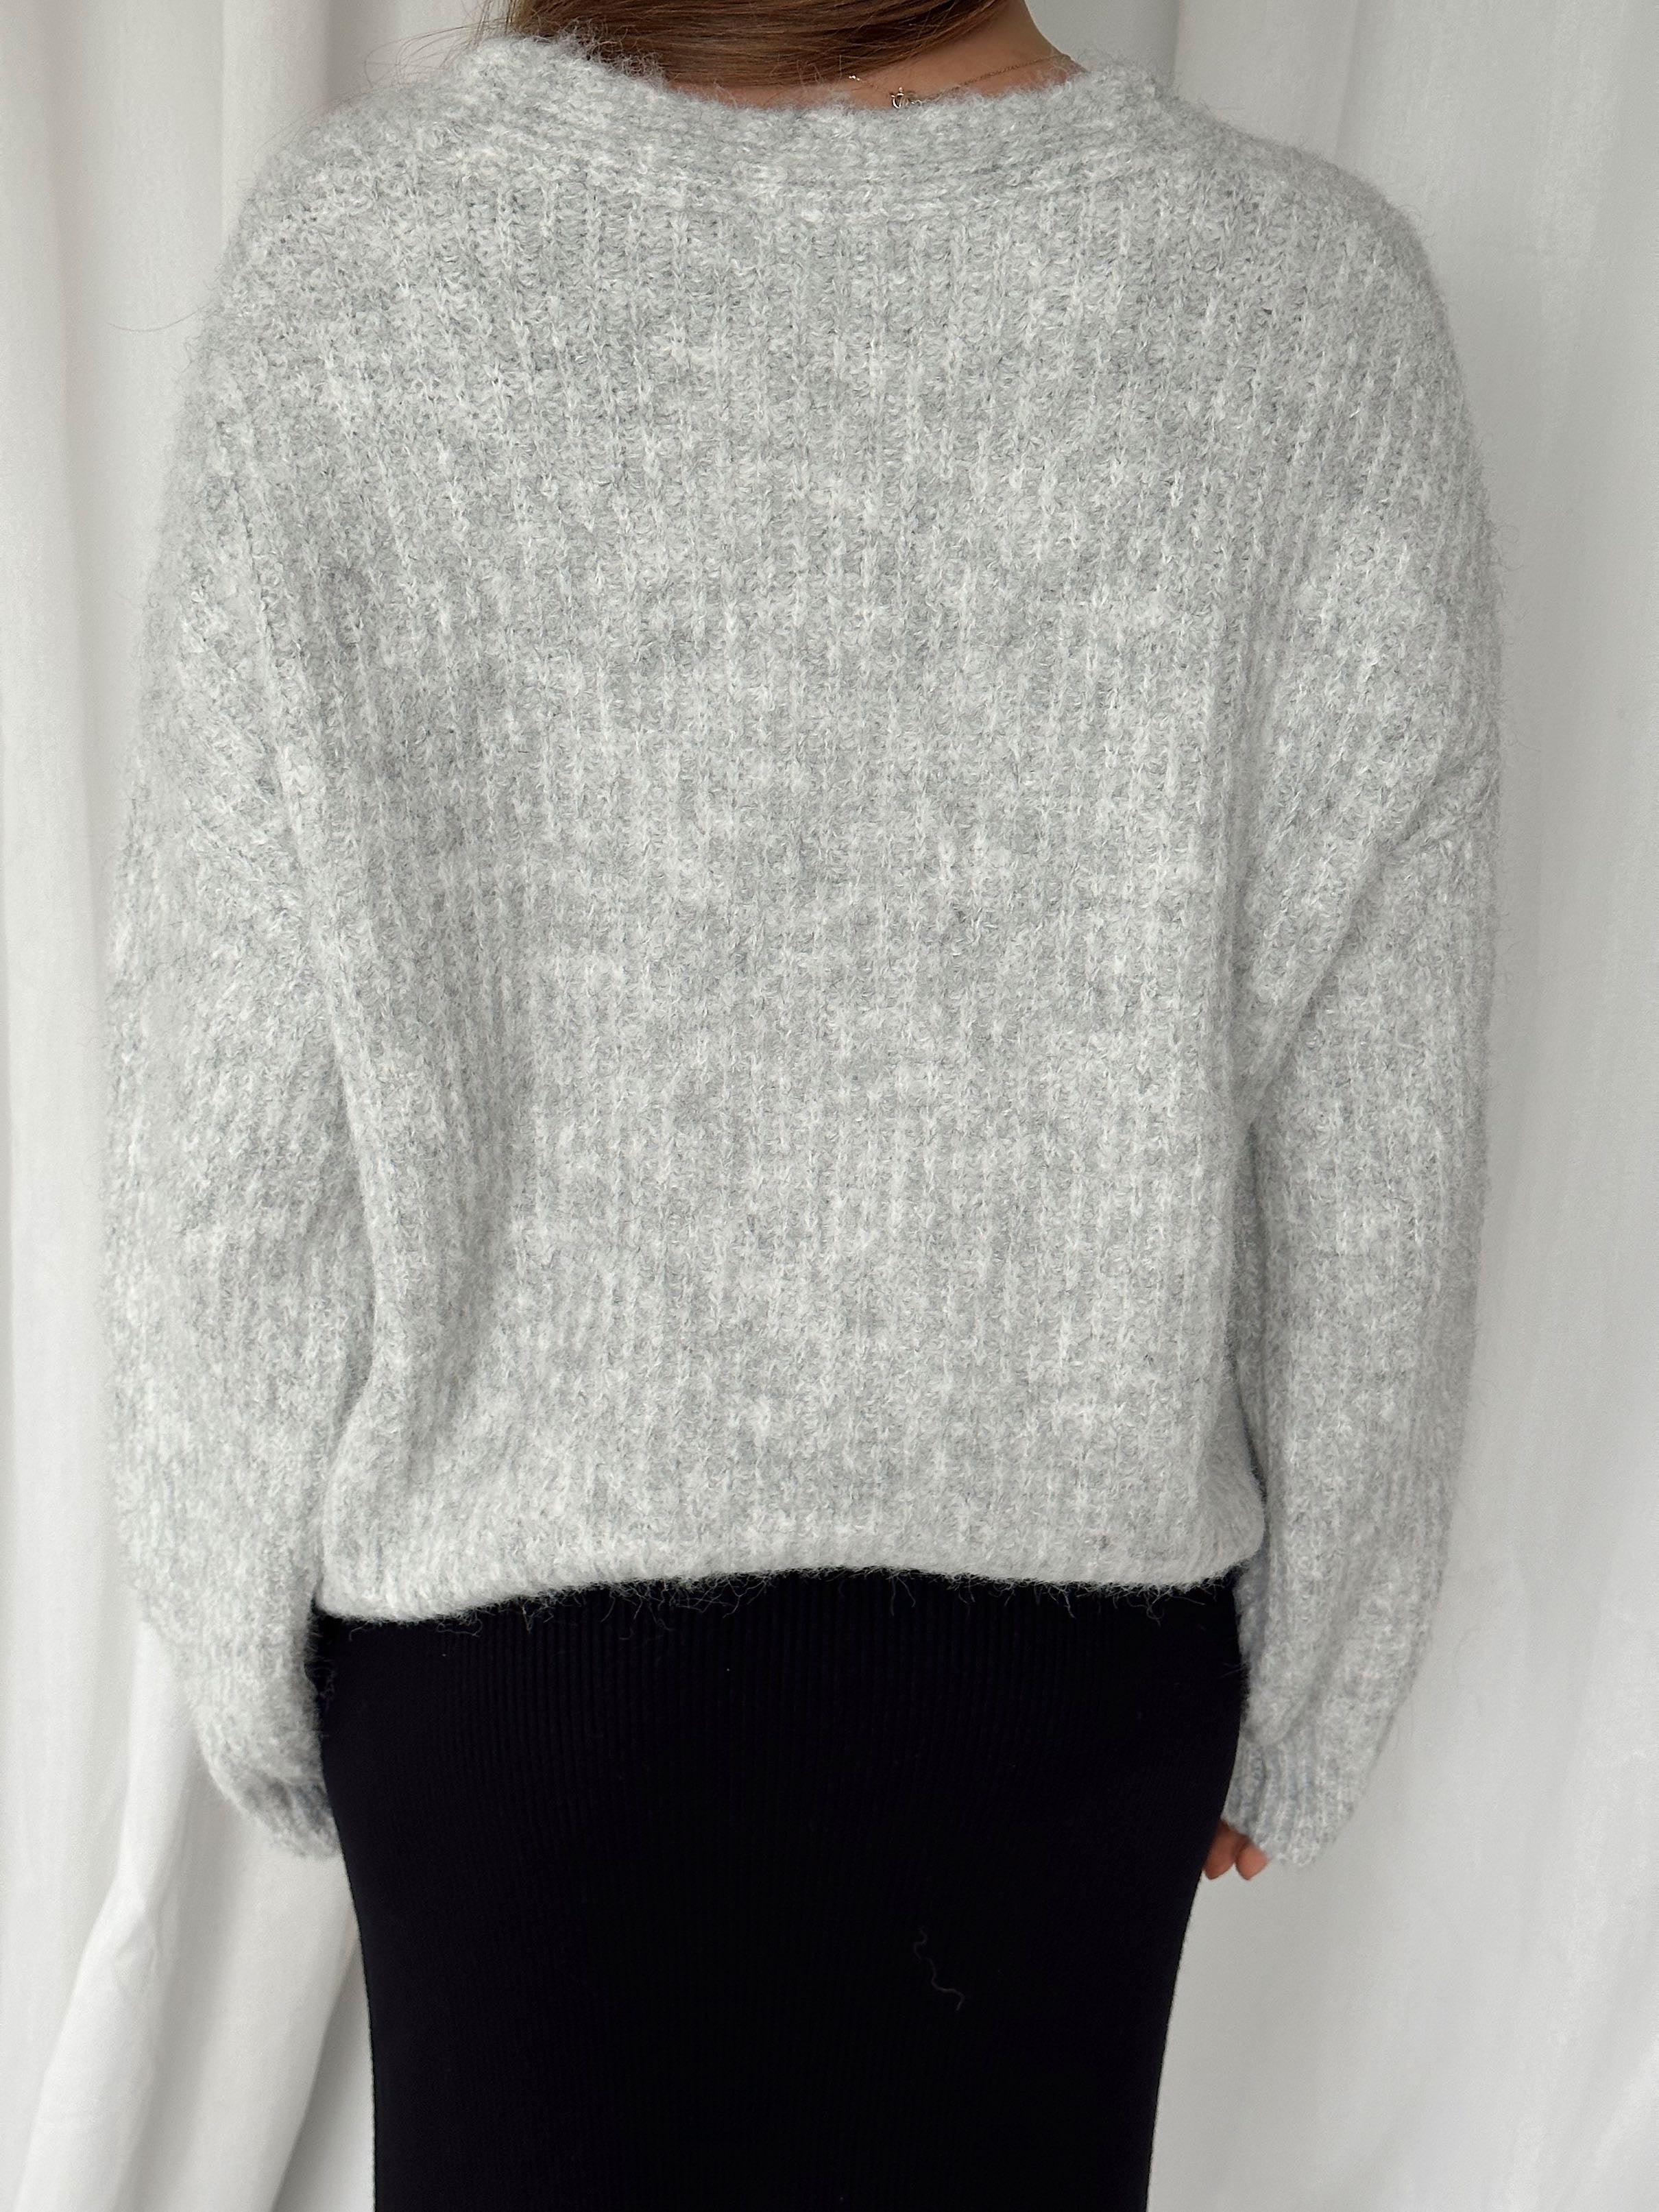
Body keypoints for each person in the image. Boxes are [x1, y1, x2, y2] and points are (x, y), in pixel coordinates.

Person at [99, 1, 1503, 2204]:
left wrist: (249, 1660)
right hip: (1062, 1691)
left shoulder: (358, 273)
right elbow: (1371, 1142)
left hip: (497, 1716)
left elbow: (227, 1121)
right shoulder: (1302, 307)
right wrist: (1305, 1687)